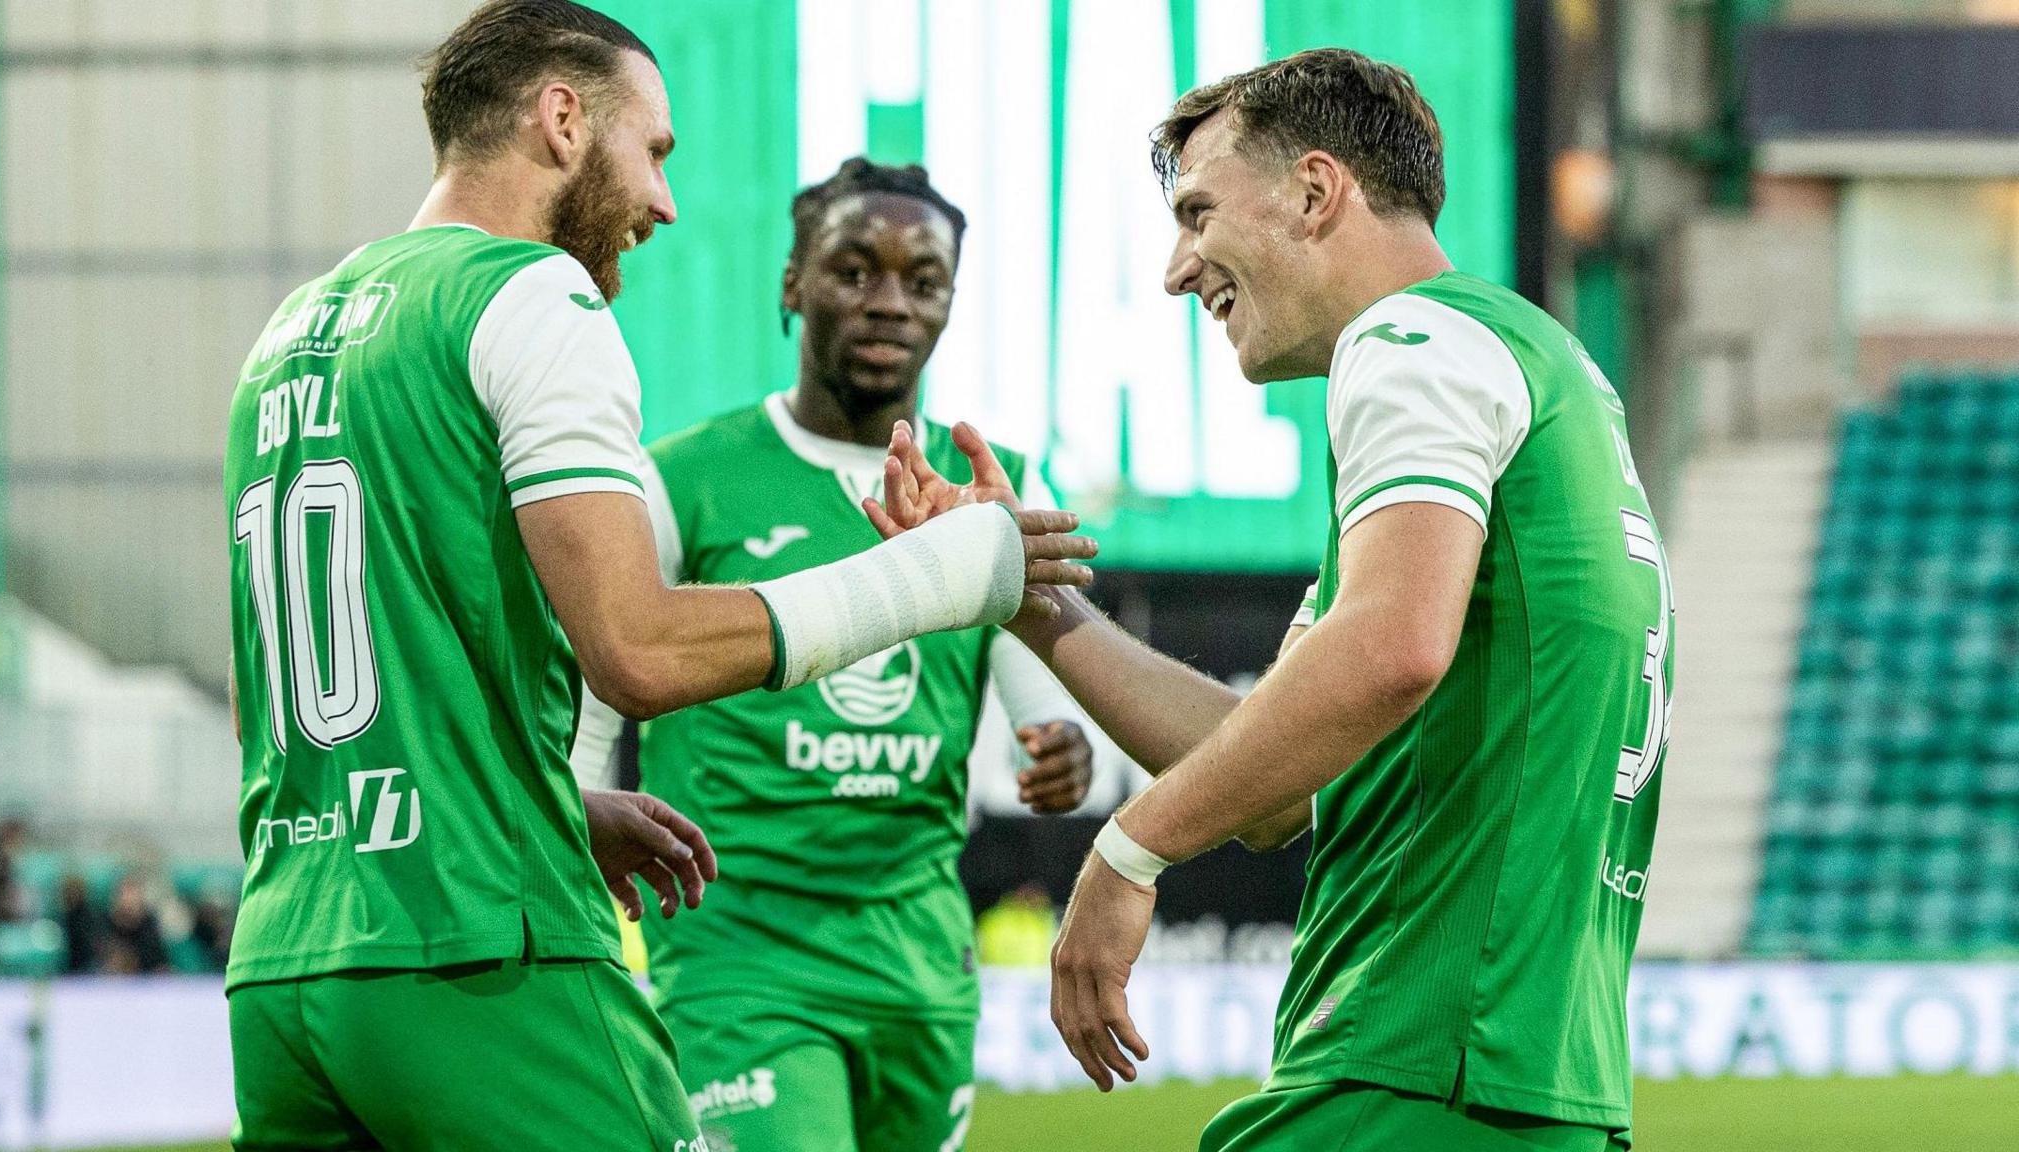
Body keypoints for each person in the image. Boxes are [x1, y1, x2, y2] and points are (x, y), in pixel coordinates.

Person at [219, 4, 1093, 1150]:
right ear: (563, 119)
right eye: (656, 150)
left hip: (290, 966)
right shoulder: (528, 294)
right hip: (480, 947)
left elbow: (286, 702)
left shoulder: (290, 333)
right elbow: (633, 650)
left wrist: (552, 800)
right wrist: (941, 574)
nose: (665, 202)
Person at [869, 48, 1671, 1152]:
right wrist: (1023, 594)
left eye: (1196, 212)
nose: (1175, 266)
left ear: (1312, 190)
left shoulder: (1410, 342)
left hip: (1415, 1070)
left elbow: (1393, 650)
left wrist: (1125, 851)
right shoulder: (1534, 364)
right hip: (1509, 1083)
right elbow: (1263, 781)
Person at [571, 157, 1100, 1152]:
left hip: (918, 956)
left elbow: (1043, 679)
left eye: (922, 279)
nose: (889, 301)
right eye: (854, 270)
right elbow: (601, 670)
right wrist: (566, 808)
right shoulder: (684, 478)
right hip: (739, 948)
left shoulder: (998, 481)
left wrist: (1058, 737)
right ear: (792, 283)